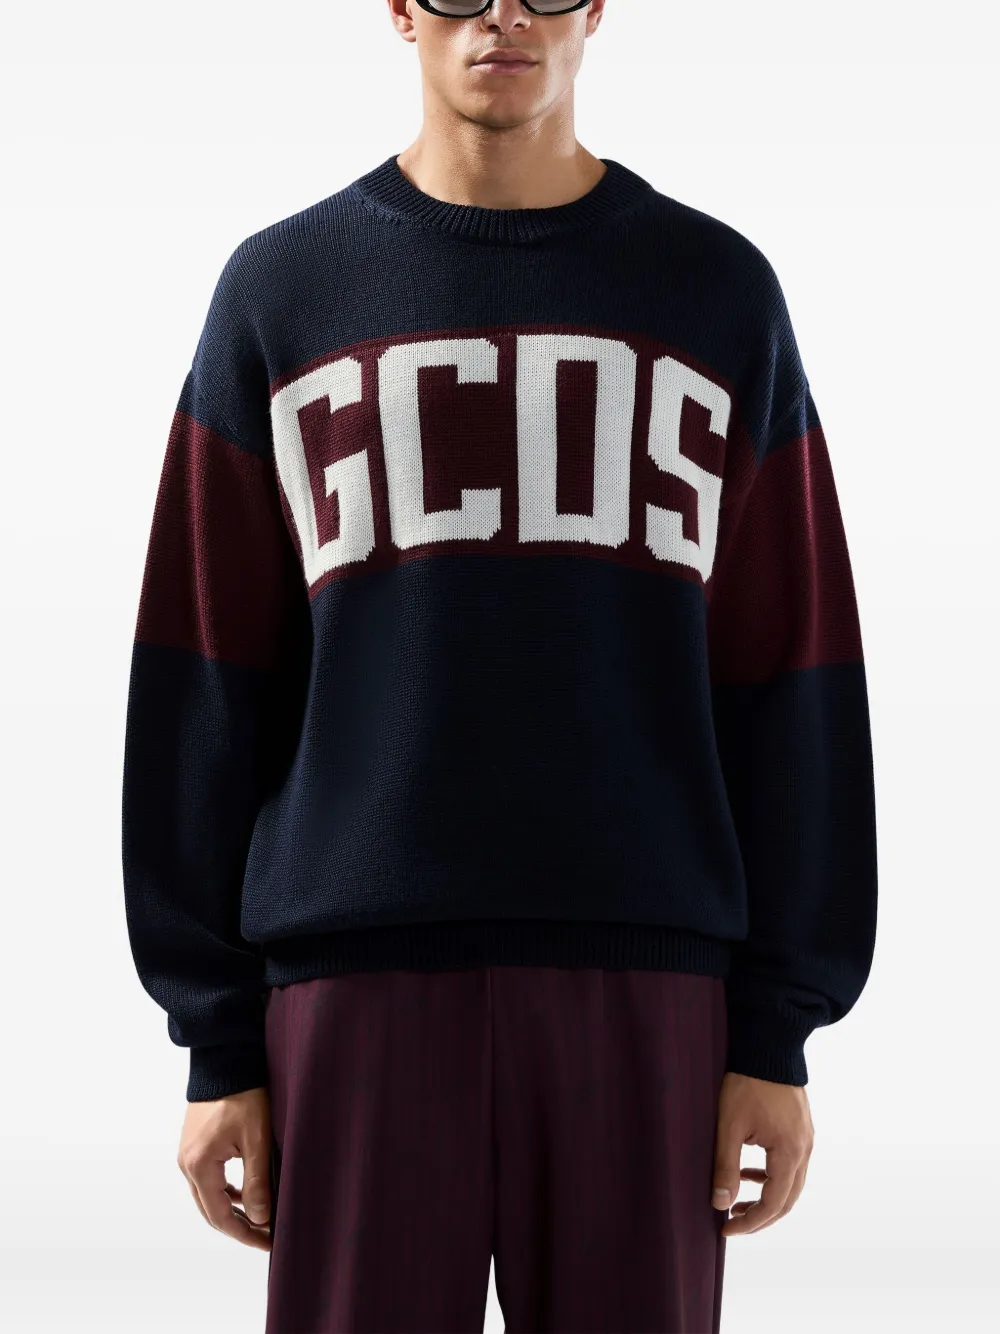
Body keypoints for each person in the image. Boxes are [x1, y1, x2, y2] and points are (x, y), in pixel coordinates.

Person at [120, 1, 878, 1329]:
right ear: (400, 9)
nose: (505, 14)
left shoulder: (714, 290)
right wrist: (216, 1038)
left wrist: (778, 1029)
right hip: (351, 983)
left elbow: (793, 671)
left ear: (599, 10)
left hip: (649, 982)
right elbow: (203, 674)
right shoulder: (282, 292)